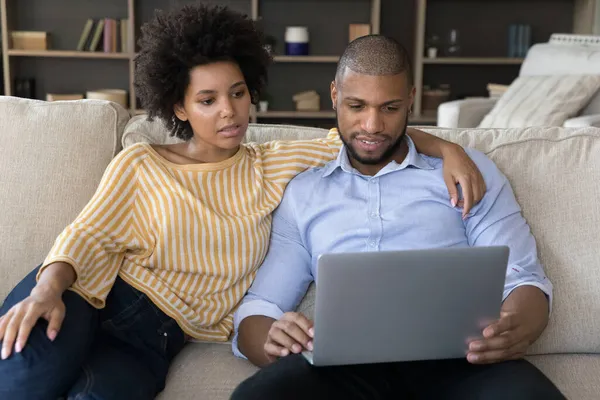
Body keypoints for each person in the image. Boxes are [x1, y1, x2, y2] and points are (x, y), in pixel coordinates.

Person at [0, 5, 486, 400]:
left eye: (237, 93)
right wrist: (46, 290)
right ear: (179, 106)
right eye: (207, 100)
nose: (229, 111)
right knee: (20, 384)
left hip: (156, 341)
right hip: (84, 296)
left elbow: (367, 131)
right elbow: (87, 236)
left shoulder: (273, 163)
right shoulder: (140, 163)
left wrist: (448, 149)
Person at [231, 35, 565, 400]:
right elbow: (260, 306)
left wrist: (516, 328)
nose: (372, 126)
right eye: (356, 106)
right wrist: (272, 338)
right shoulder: (304, 193)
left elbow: (524, 280)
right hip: (340, 372)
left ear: (410, 99)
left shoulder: (467, 172)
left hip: (463, 363)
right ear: (334, 95)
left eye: (389, 108)